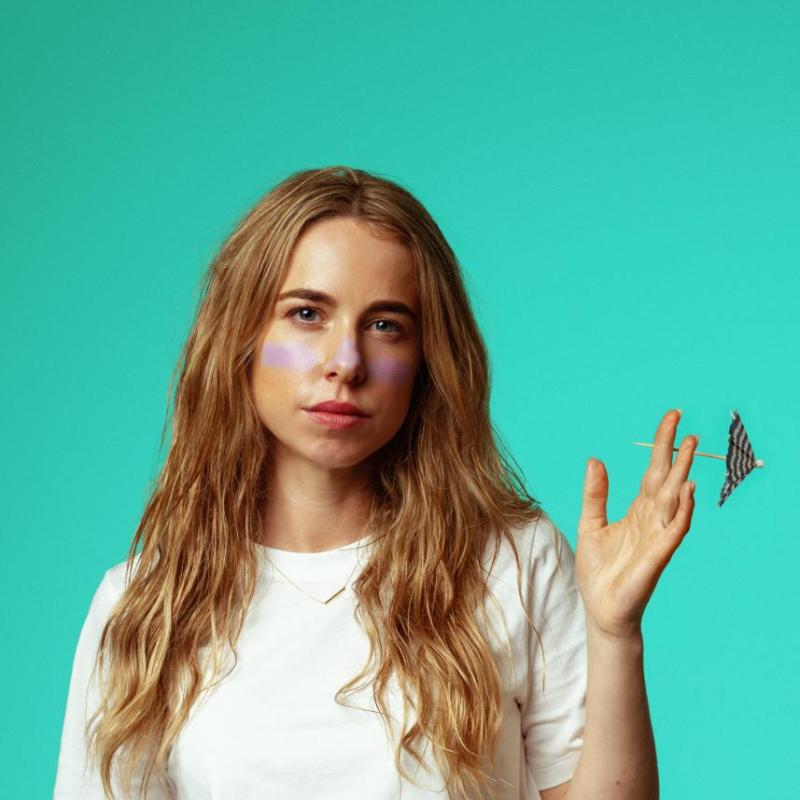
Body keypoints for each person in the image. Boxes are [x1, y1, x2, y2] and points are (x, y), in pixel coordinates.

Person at [53, 166, 698, 800]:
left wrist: (615, 634)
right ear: (242, 340)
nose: (345, 363)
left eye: (386, 325)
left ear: (425, 361)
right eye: (307, 314)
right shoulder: (144, 607)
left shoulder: (515, 562)